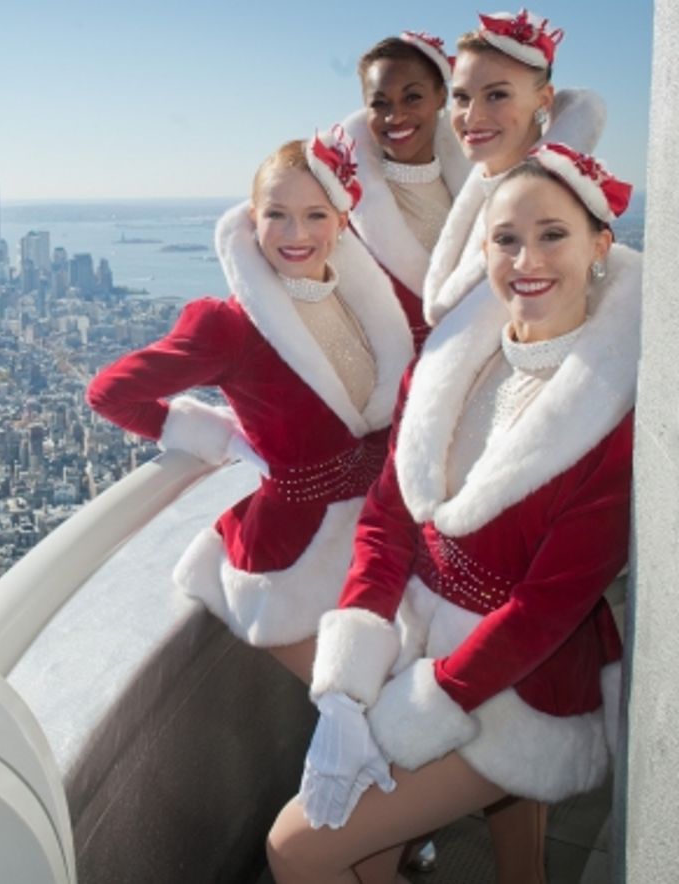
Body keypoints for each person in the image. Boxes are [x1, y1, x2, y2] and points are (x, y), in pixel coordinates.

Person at [265, 145, 637, 884]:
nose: (525, 258)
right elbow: (386, 520)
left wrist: (415, 711)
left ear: (600, 245)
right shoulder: (445, 363)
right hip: (415, 641)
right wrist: (347, 684)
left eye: (553, 234)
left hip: (517, 688)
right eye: (505, 238)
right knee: (363, 863)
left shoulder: (614, 416)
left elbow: (547, 607)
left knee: (297, 849)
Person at [86, 130, 413, 681]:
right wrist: (196, 428)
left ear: (341, 221)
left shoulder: (365, 302)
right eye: (277, 214)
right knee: (360, 708)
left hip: (385, 532)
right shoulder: (230, 327)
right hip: (299, 554)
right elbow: (110, 393)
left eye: (315, 215)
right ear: (252, 220)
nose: (296, 234)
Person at [424, 9, 604, 328]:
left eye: (497, 95)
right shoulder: (480, 193)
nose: (472, 116)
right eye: (462, 97)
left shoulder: (570, 206)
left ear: (544, 100)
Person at [342, 31, 471, 349]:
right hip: (388, 387)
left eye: (412, 97)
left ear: (441, 95)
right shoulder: (341, 203)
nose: (395, 116)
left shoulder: (485, 183)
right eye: (380, 103)